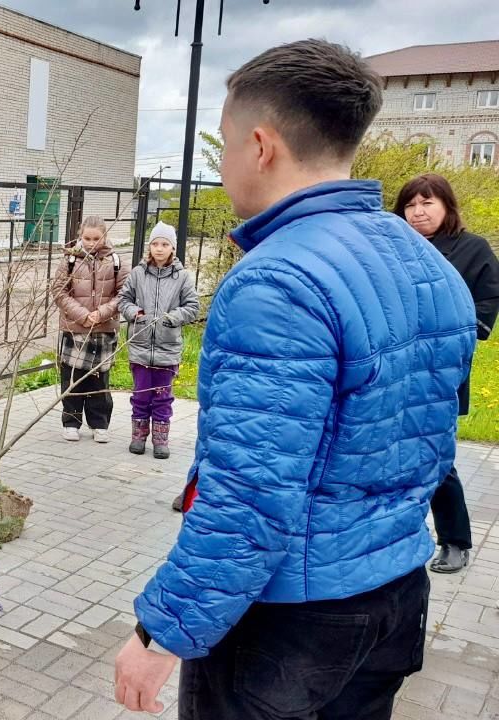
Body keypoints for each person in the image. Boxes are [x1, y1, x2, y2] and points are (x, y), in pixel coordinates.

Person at [115, 40, 476, 719]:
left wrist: (162, 631)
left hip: (292, 624)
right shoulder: (425, 262)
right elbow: (429, 441)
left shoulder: (277, 283)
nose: (222, 166)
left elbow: (252, 493)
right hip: (394, 594)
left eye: (223, 146)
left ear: (261, 145)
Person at [395, 173, 499, 574]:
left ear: (447, 207)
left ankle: (455, 540)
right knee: (390, 456)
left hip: (439, 374)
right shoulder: (392, 249)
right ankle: (401, 531)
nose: (418, 212)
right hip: (393, 370)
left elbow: (488, 299)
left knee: (435, 457)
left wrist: (458, 334)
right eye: (410, 205)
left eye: (427, 203)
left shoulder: (472, 249)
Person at [117, 221, 198, 467]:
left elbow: (192, 307)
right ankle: (139, 435)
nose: (159, 249)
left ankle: (161, 440)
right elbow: (123, 299)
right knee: (141, 395)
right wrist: (133, 313)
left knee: (162, 396)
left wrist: (174, 318)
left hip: (167, 348)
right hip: (140, 347)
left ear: (172, 248)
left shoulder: (182, 276)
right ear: (149, 247)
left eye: (164, 244)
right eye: (155, 244)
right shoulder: (138, 274)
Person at [51, 215, 128, 443]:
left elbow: (124, 292)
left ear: (105, 236)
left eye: (96, 238)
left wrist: (102, 313)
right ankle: (71, 421)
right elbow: (59, 291)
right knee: (72, 376)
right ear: (80, 235)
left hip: (103, 328)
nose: (91, 242)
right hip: (75, 328)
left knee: (99, 380)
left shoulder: (115, 260)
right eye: (87, 238)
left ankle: (99, 423)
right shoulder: (70, 260)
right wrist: (83, 315)